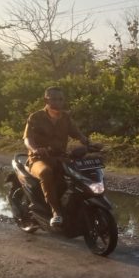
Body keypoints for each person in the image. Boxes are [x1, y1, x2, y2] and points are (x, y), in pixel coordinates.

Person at [23, 86, 88, 227]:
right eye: (54, 99)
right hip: (38, 159)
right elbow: (27, 139)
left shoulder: (66, 117)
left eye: (61, 99)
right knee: (46, 172)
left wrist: (87, 142)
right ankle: (56, 212)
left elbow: (77, 133)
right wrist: (35, 149)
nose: (58, 102)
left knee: (78, 173)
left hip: (60, 157)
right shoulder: (36, 117)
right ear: (46, 99)